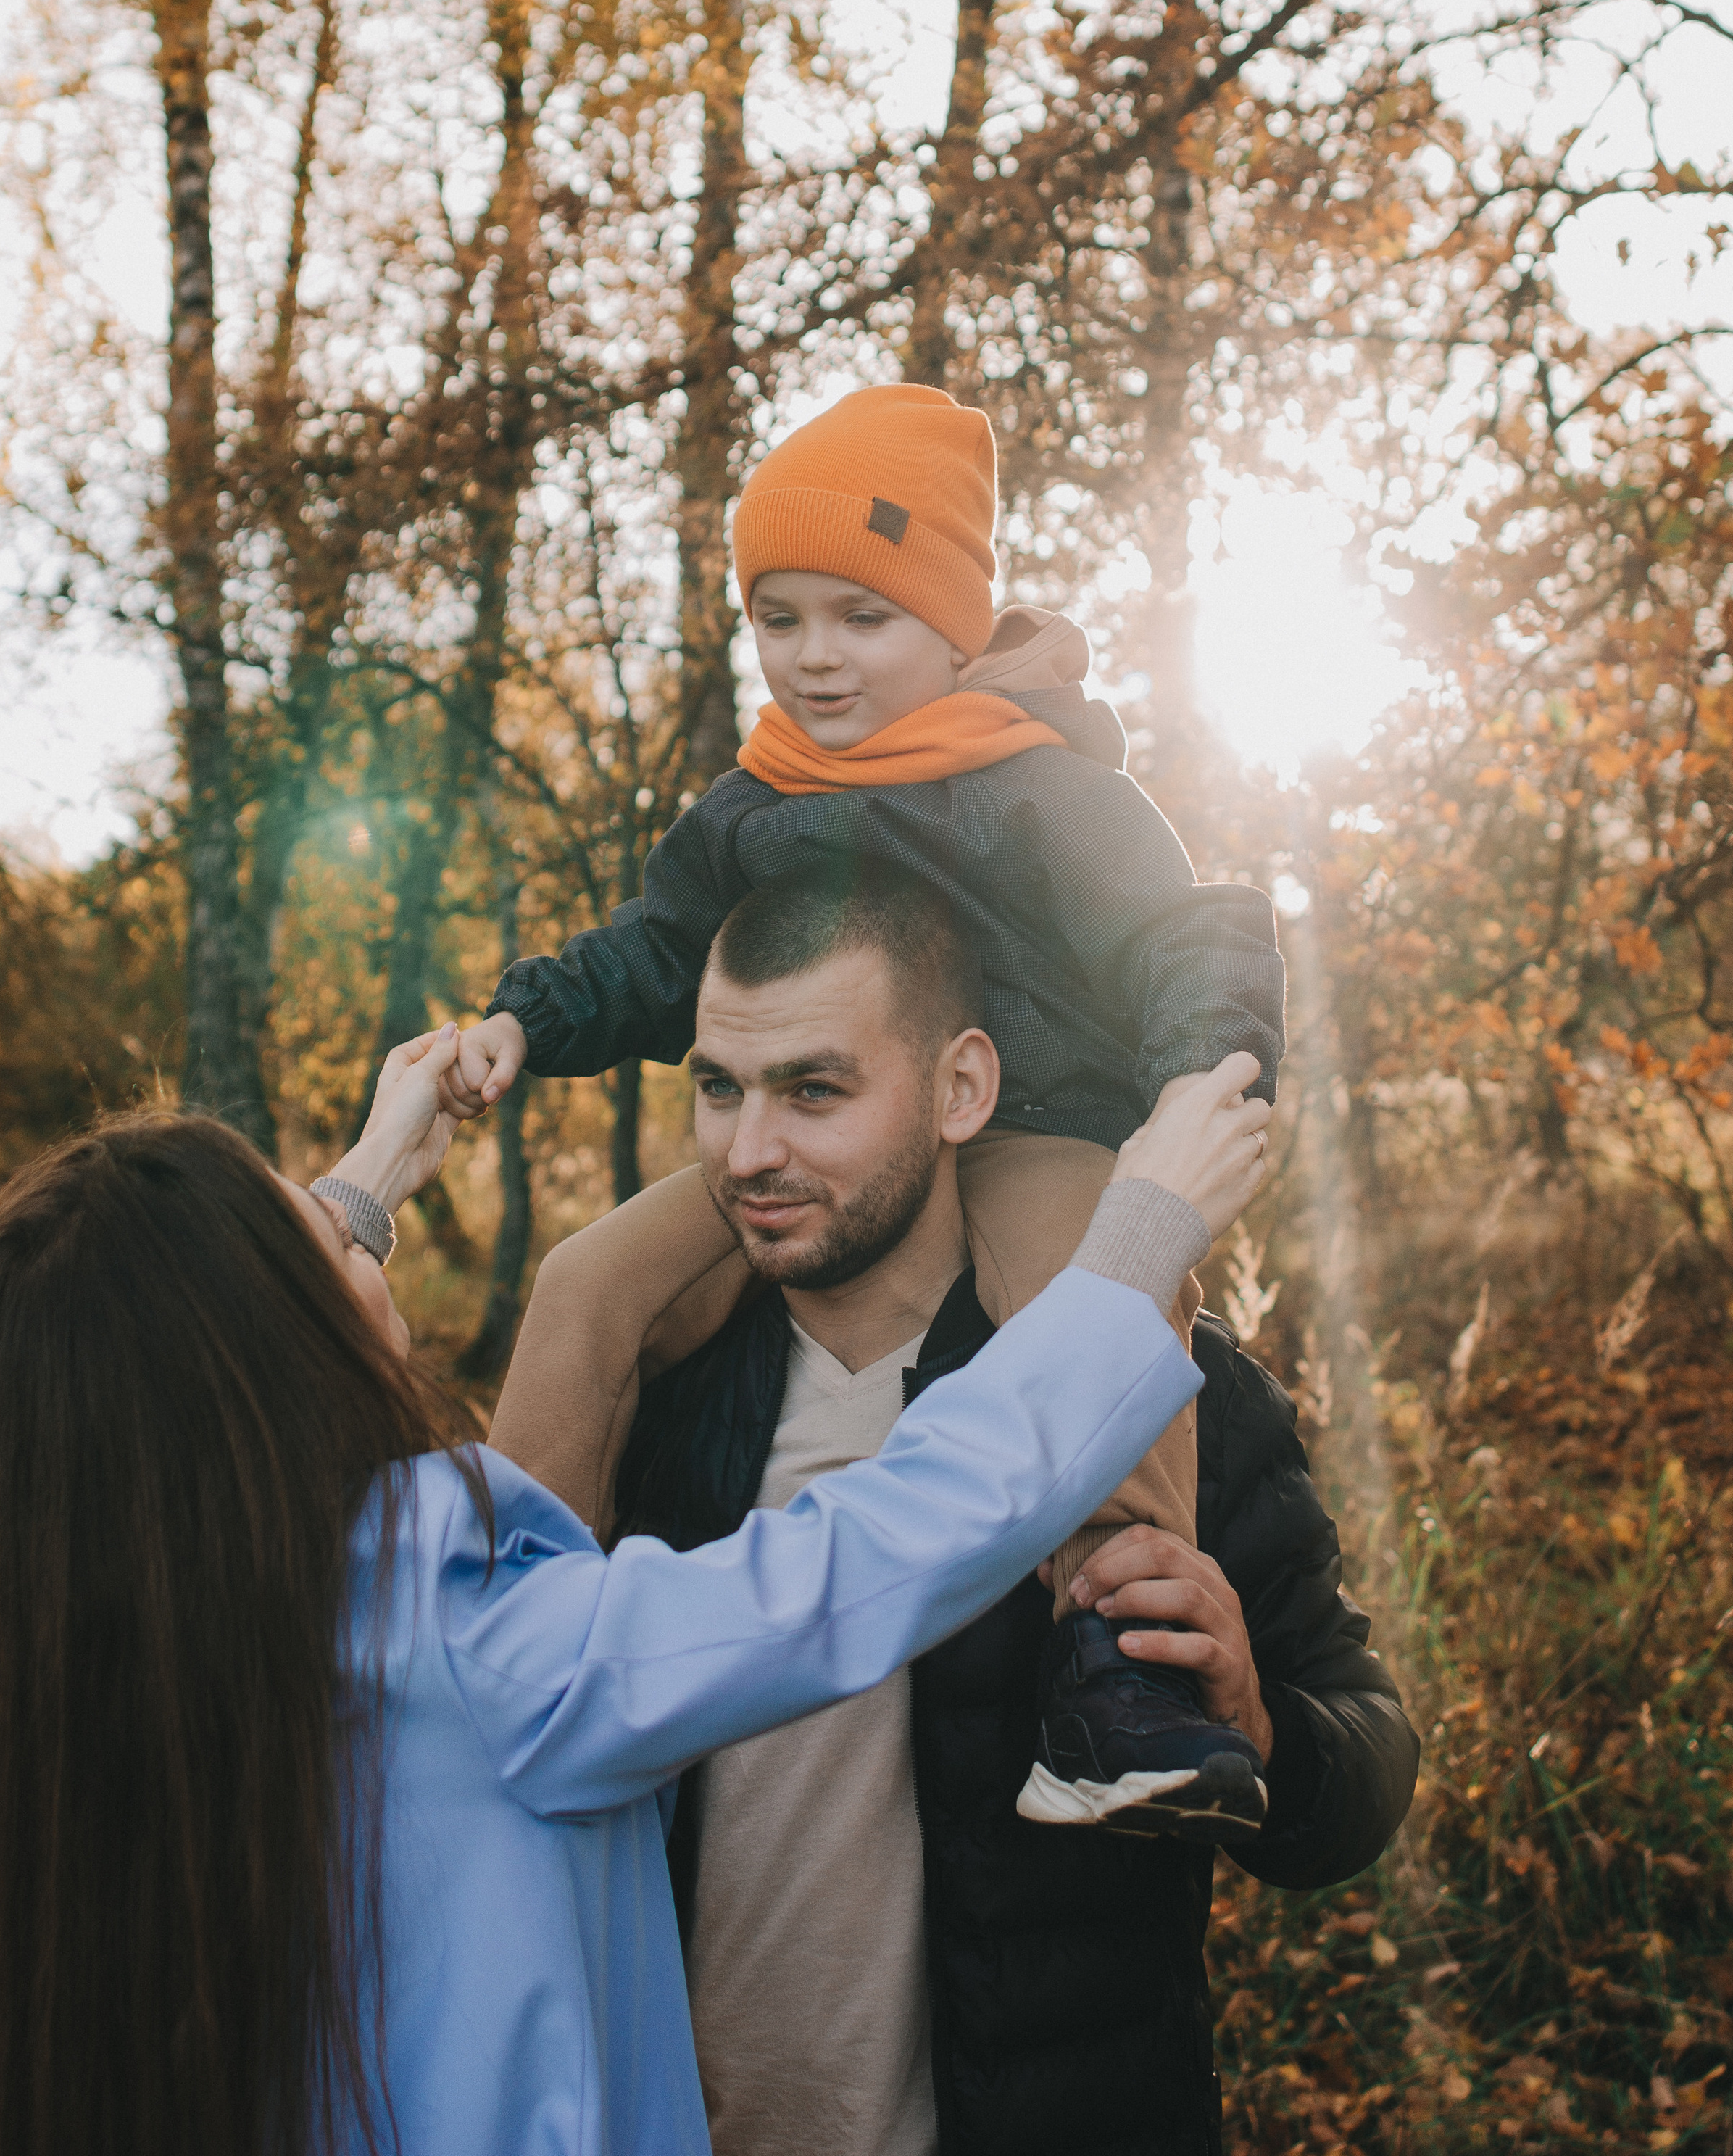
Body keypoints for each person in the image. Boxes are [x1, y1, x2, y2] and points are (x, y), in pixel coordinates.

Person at [0, 995, 1270, 2156]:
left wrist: (374, 1169)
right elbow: (874, 1546)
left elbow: (137, 1376)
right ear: (253, 1349)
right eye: (300, 1220)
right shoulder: (481, 1648)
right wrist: (1135, 1243)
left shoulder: (20, 1613)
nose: (341, 1219)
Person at [454, 381, 1287, 1833]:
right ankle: (509, 1625)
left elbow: (1181, 933)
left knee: (1095, 1295)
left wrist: (1192, 1096)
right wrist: (527, 1015)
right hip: (833, 1144)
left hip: (1035, 1129)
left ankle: (1120, 1668)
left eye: (860, 616)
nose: (814, 658)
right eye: (779, 618)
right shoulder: (754, 800)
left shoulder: (1035, 786)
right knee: (586, 1278)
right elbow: (656, 952)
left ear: (952, 621)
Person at [595, 861, 1419, 2156]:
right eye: (718, 1087)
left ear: (960, 1087)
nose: (749, 1151)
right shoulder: (652, 1410)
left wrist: (1259, 1719)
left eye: (815, 1089)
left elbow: (1364, 1758)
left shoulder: (1168, 1388)